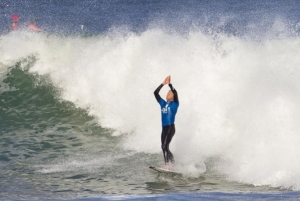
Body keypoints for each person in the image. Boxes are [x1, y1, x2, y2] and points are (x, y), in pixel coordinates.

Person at [154, 75, 179, 170]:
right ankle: (174, 165)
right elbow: (155, 93)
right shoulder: (163, 103)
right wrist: (162, 84)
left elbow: (175, 92)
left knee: (164, 145)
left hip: (170, 127)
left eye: (170, 92)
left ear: (173, 96)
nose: (168, 93)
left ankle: (167, 165)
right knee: (164, 147)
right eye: (167, 92)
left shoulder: (175, 103)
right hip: (164, 128)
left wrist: (170, 85)